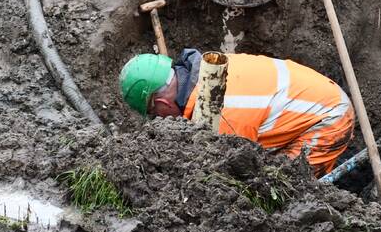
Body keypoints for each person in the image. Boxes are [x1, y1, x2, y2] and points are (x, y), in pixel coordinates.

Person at [119, 49, 355, 176]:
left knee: (287, 184)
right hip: (309, 101)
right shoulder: (208, 70)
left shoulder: (223, 113)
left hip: (329, 118)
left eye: (155, 115)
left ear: (162, 103)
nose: (161, 121)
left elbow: (236, 168)